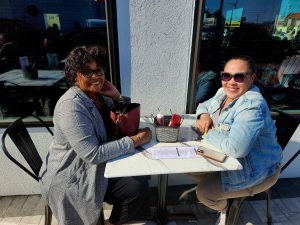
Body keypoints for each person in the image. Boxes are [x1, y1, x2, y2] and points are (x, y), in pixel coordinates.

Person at [39, 46, 152, 225]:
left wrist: (116, 96)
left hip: (96, 167)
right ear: (75, 75)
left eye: (98, 70)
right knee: (136, 187)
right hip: (74, 176)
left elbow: (124, 118)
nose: (96, 76)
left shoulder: (98, 96)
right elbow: (92, 154)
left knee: (141, 178)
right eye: (87, 72)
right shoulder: (71, 106)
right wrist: (136, 140)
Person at [192, 55, 282, 225]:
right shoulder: (223, 93)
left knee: (204, 192)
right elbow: (203, 105)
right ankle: (225, 198)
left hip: (256, 169)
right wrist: (204, 115)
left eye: (239, 77)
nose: (231, 82)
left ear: (252, 78)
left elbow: (236, 149)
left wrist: (208, 132)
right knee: (188, 168)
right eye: (226, 76)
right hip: (229, 159)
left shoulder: (251, 106)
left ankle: (226, 210)